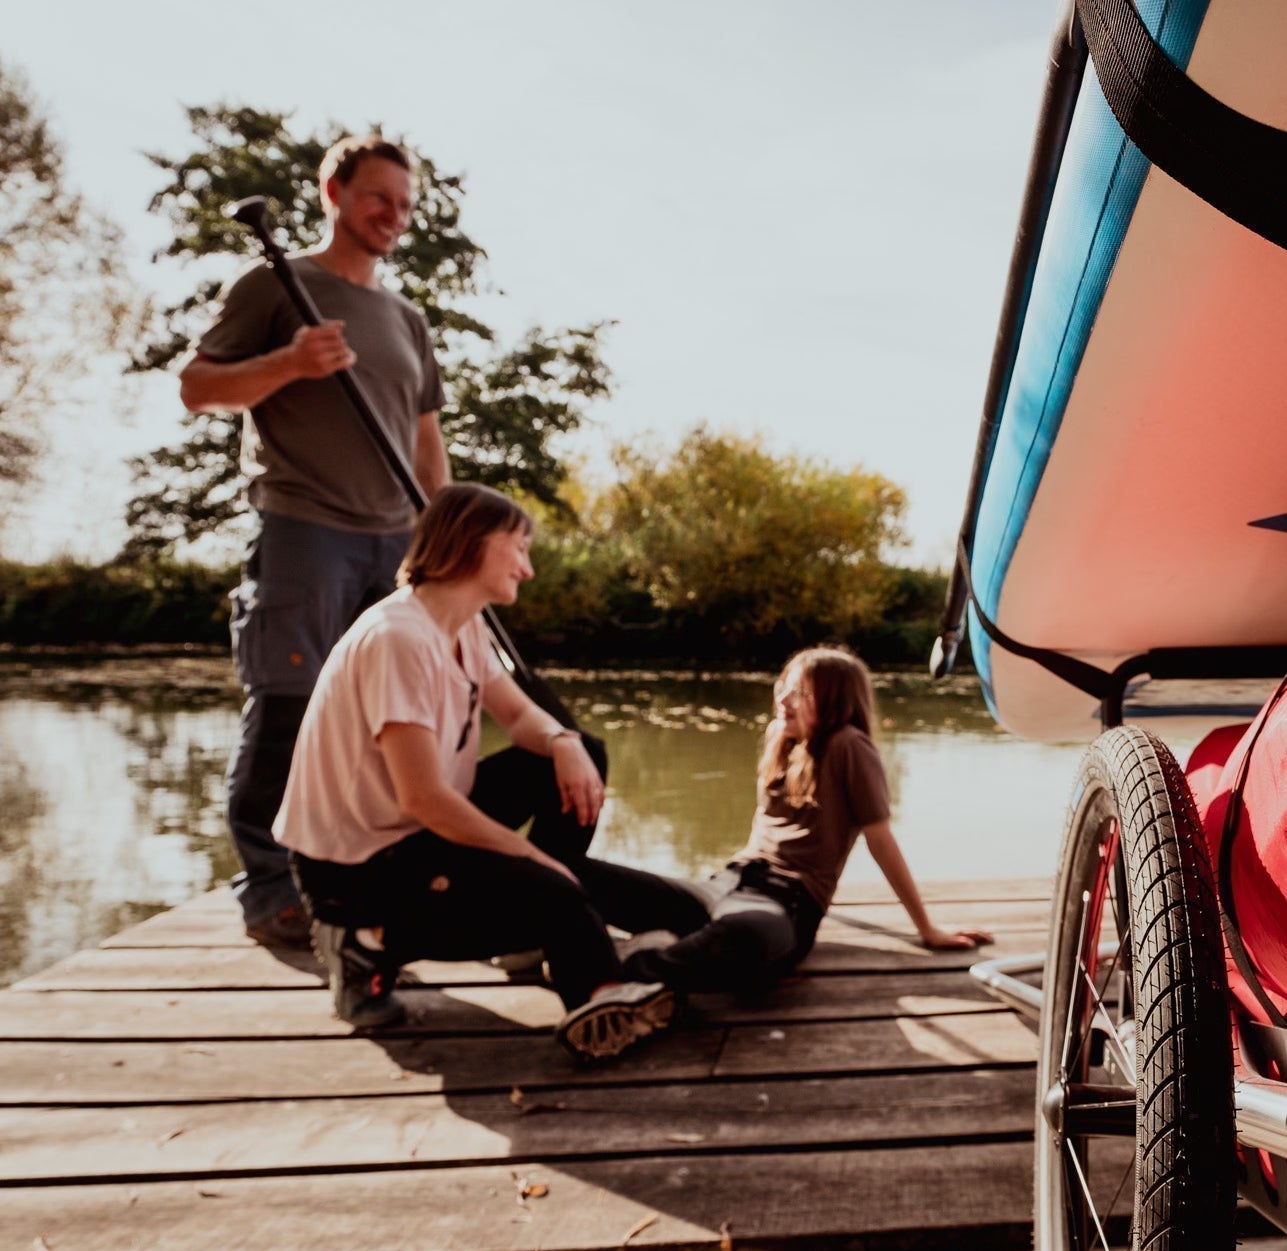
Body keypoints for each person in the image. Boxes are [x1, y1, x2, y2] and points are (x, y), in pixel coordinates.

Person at [275, 483, 689, 1061]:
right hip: (357, 869)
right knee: (555, 886)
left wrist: (564, 741)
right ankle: (366, 942)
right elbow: (425, 799)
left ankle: (546, 930)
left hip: (416, 831)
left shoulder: (464, 623)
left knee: (581, 757)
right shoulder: (397, 638)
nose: (529, 568)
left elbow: (518, 714)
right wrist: (534, 862)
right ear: (472, 545)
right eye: (518, 547)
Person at [180, 135, 449, 950]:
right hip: (304, 526)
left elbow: (426, 436)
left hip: (395, 540)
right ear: (333, 189)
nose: (394, 216)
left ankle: (367, 870)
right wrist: (290, 363)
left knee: (392, 715)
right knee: (288, 705)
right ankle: (270, 889)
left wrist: (444, 533)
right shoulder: (275, 283)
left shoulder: (406, 318)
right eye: (379, 198)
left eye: (405, 204)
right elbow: (197, 387)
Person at [622, 646, 992, 996]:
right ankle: (636, 963)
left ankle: (624, 969)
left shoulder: (850, 746)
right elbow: (762, 823)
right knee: (586, 876)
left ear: (834, 701)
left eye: (799, 692)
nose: (782, 699)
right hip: (728, 882)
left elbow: (880, 840)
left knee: (745, 934)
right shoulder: (779, 737)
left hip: (786, 901)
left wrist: (926, 929)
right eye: (784, 686)